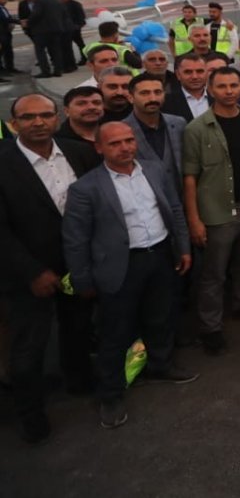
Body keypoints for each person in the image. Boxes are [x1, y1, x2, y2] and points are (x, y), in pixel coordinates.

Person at [63, 122, 196, 430]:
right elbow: (76, 239)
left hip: (160, 256)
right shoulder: (86, 188)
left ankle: (161, 365)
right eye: (115, 144)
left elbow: (174, 209)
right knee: (116, 332)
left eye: (129, 140)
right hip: (122, 266)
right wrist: (82, 279)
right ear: (99, 148)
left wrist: (183, 247)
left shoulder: (153, 169)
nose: (125, 148)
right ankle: (110, 393)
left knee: (161, 317)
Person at [0, 94, 98, 443]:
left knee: (77, 327)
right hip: (27, 272)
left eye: (45, 115)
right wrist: (31, 272)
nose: (38, 122)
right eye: (28, 117)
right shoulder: (4, 161)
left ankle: (80, 383)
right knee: (30, 346)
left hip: (77, 261)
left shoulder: (79, 153)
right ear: (14, 124)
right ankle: (30, 415)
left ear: (57, 118)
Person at [182, 67, 240, 355]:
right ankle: (210, 327)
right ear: (211, 90)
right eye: (222, 86)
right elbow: (189, 177)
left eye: (233, 85)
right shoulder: (196, 130)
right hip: (219, 212)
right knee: (214, 272)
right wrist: (194, 219)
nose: (228, 91)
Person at [124, 73, 187, 199]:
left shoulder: (178, 124)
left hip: (181, 200)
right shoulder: (122, 130)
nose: (152, 98)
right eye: (144, 93)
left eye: (158, 92)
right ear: (131, 97)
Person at [28, 0, 70, 77]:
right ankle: (58, 70)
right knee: (55, 51)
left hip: (42, 31)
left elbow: (36, 14)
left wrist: (29, 23)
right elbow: (63, 14)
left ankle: (45, 71)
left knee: (40, 51)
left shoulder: (40, 1)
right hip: (56, 29)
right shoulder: (56, 0)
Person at [162, 53, 211, 121]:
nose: (195, 77)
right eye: (188, 72)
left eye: (200, 71)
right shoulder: (165, 102)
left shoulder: (218, 98)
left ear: (207, 73)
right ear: (178, 74)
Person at [0, 0, 15, 75]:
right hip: (1, 34)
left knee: (8, 51)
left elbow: (8, 17)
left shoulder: (3, 8)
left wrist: (11, 24)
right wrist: (19, 21)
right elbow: (4, 19)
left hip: (7, 33)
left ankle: (10, 68)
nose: (5, 1)